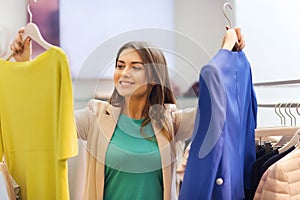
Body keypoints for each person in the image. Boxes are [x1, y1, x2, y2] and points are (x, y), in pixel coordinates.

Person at [10, 27, 245, 200]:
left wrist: (226, 51)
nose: (124, 73)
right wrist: (24, 67)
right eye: (120, 65)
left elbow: (214, 109)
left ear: (154, 78)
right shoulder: (95, 115)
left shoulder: (170, 120)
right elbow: (46, 121)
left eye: (135, 67)